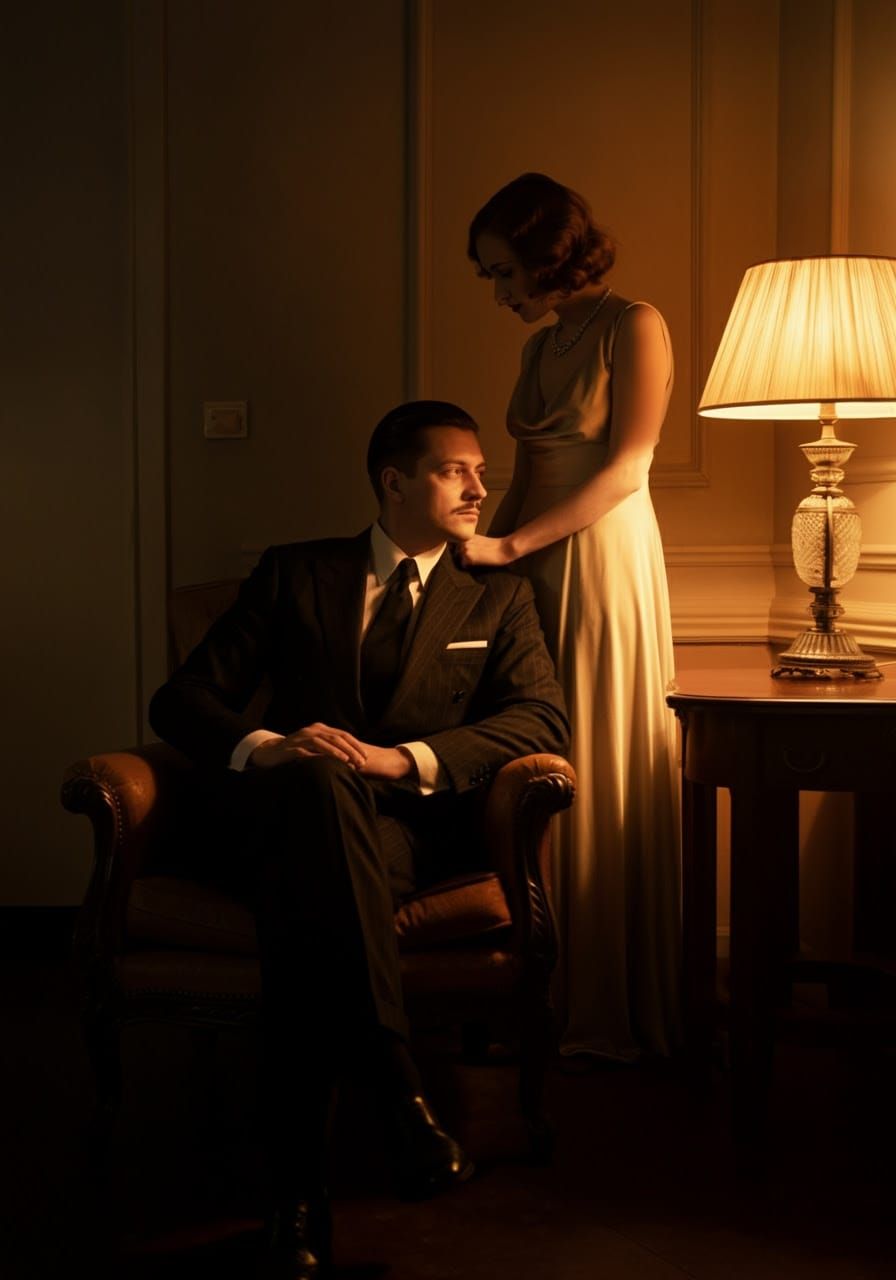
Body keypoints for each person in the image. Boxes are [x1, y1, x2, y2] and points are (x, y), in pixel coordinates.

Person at [149, 399, 568, 1278]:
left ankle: (296, 1200)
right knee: (313, 780)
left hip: (394, 833)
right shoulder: (295, 573)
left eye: (480, 470)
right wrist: (270, 748)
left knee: (315, 918)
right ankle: (397, 1094)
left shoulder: (499, 594)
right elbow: (182, 701)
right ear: (393, 481)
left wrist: (399, 759)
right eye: (457, 469)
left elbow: (539, 718)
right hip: (274, 822)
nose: (481, 486)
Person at [463, 172, 681, 1063]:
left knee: (592, 746)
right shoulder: (540, 346)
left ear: (549, 252)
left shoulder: (636, 324)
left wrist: (511, 551)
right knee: (530, 750)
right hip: (534, 558)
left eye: (504, 271)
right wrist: (479, 560)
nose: (500, 293)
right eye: (489, 277)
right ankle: (533, 988)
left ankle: (602, 998)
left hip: (601, 554)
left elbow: (628, 467)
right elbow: (522, 477)